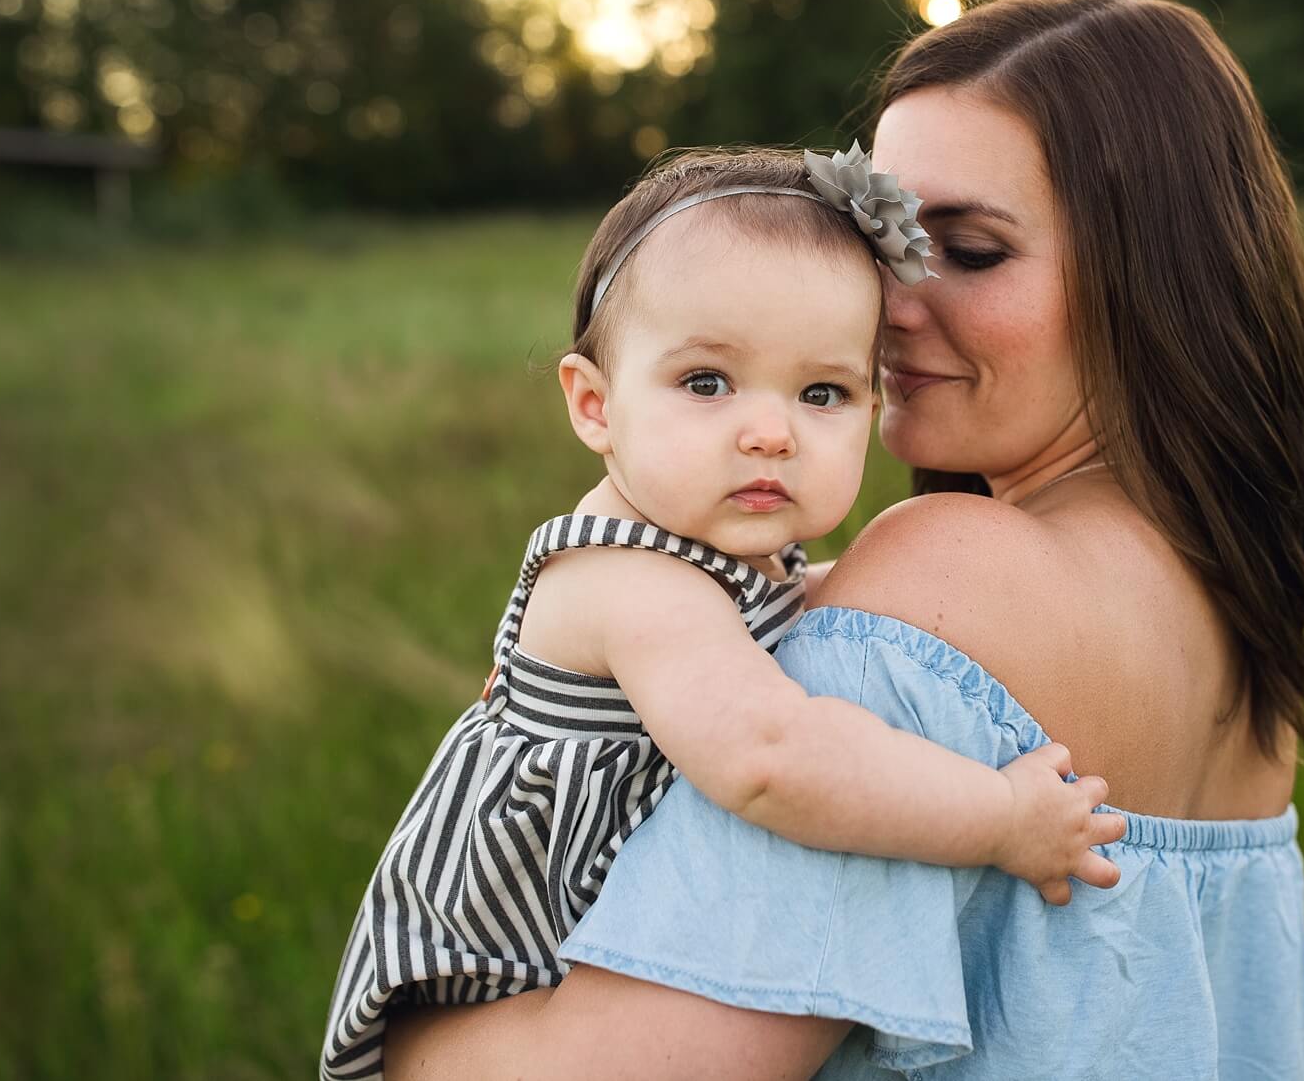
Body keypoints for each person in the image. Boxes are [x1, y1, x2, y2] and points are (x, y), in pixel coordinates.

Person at [380, 0, 1304, 1079]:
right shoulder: (1236, 629)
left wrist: (406, 1044)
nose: (882, 302)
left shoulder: (944, 577)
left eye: (972, 250)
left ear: (1160, 282)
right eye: (884, 239)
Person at [319, 146, 1127, 1080]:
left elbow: (782, 604)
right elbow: (773, 761)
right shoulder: (630, 579)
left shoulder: (709, 550)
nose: (770, 430)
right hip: (503, 982)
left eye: (822, 391)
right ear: (594, 404)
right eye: (707, 382)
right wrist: (999, 819)